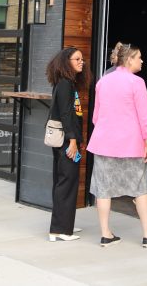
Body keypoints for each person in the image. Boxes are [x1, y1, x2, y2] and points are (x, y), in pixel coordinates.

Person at [86, 42, 147, 248]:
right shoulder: (136, 83)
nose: (142, 60)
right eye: (139, 57)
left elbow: (96, 116)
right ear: (129, 60)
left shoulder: (103, 81)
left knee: (103, 189)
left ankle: (105, 234)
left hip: (104, 142)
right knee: (140, 188)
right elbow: (146, 115)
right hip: (131, 142)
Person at [45, 47, 88, 242]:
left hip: (67, 140)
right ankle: (59, 230)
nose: (81, 62)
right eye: (77, 59)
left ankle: (64, 224)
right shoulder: (64, 84)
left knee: (64, 181)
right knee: (66, 182)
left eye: (82, 59)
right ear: (66, 62)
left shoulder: (67, 83)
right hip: (66, 141)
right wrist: (72, 141)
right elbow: (66, 114)